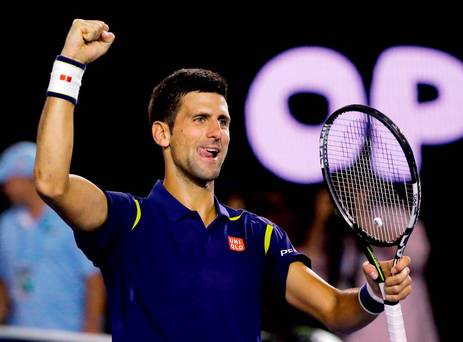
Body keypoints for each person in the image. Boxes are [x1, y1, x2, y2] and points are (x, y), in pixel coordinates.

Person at [33, 19, 412, 341]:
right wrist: (70, 67)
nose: (217, 132)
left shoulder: (259, 235)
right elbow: (52, 183)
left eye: (224, 121)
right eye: (200, 119)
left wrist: (373, 295)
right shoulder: (126, 219)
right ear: (162, 134)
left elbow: (333, 308)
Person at [0, 142, 106, 332]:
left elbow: (94, 281)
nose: (5, 186)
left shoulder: (69, 218)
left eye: (10, 179)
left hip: (67, 333)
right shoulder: (6, 225)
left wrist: (90, 334)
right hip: (20, 332)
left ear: (28, 177)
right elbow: (4, 283)